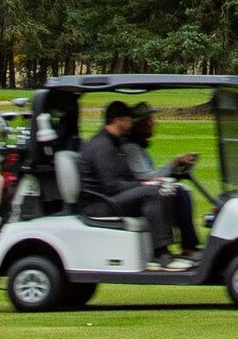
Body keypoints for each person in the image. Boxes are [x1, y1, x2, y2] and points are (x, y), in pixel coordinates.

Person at [74, 101, 199, 258]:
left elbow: (124, 178)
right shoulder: (101, 146)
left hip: (109, 198)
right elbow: (112, 185)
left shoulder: (114, 143)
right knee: (154, 192)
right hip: (100, 204)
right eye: (128, 120)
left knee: (159, 190)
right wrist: (143, 184)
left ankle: (172, 250)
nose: (131, 124)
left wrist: (146, 184)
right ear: (117, 120)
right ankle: (161, 253)